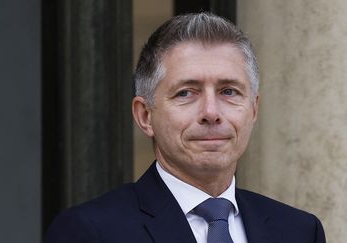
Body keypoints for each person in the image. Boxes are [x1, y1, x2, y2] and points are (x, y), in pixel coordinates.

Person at [44, 12, 325, 243]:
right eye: (186, 93)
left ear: (253, 109)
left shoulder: (299, 231)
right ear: (145, 116)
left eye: (229, 92)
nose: (211, 113)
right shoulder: (88, 232)